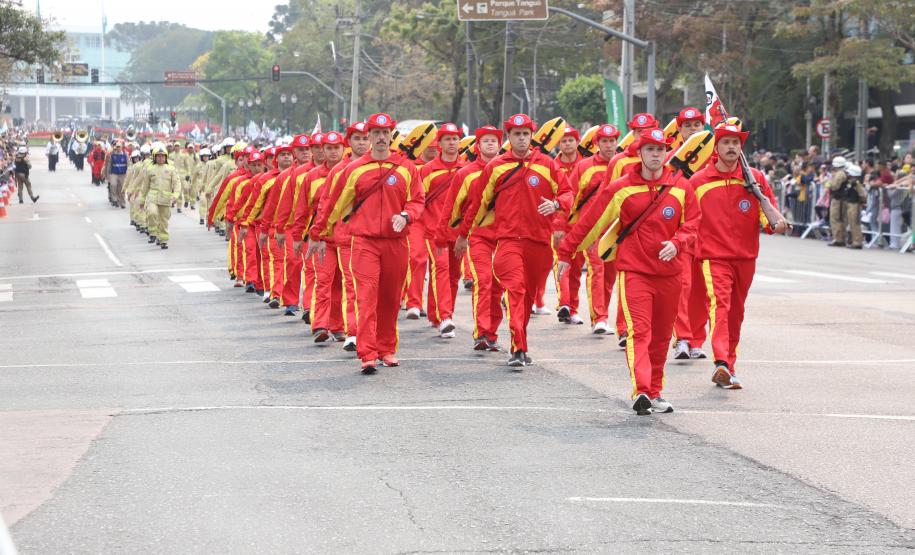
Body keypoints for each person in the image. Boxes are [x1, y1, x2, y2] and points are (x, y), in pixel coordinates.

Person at [557, 127, 701, 415]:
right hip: (635, 272)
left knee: (661, 337)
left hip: (670, 274)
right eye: (650, 149)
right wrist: (566, 252)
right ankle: (642, 390)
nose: (656, 155)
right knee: (640, 332)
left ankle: (656, 391)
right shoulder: (620, 188)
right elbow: (592, 221)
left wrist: (678, 242)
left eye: (661, 150)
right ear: (639, 152)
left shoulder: (681, 187)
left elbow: (693, 222)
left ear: (667, 152)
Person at [306, 113, 424, 374]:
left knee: (391, 299)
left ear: (392, 135)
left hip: (396, 243)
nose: (381, 137)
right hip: (364, 243)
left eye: (385, 133)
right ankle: (368, 353)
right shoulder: (353, 169)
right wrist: (317, 234)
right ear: (369, 137)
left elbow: (417, 200)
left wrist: (406, 216)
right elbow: (333, 204)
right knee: (366, 297)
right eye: (376, 133)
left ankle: (387, 349)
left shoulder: (406, 167)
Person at [455, 113, 573, 368]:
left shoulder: (547, 164)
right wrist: (463, 235)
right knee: (516, 291)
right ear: (508, 137)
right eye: (516, 134)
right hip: (508, 242)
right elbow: (478, 203)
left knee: (528, 297)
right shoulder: (496, 166)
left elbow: (567, 193)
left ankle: (521, 340)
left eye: (525, 134)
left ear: (531, 137)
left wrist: (556, 204)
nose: (521, 138)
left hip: (540, 244)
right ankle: (518, 348)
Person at [689, 124, 788, 390]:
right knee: (719, 306)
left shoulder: (754, 178)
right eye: (726, 142)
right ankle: (720, 360)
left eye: (736, 142)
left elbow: (769, 214)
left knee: (736, 313)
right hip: (713, 257)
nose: (732, 147)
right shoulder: (698, 181)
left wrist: (776, 224)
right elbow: (686, 219)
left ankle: (728, 368)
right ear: (716, 147)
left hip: (745, 257)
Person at [435, 125, 504, 351]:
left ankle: (492, 332)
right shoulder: (465, 173)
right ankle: (482, 332)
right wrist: (444, 237)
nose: (491, 144)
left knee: (498, 286)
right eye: (486, 141)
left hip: (505, 237)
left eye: (494, 140)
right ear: (478, 146)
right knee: (483, 282)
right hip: (478, 237)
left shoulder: (509, 169)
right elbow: (451, 208)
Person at [554, 124, 619, 332]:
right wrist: (561, 226)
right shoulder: (585, 166)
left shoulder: (623, 164)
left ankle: (605, 315)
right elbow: (570, 197)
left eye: (612, 141)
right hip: (593, 230)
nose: (609, 145)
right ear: (597, 144)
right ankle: (599, 318)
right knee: (597, 270)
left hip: (618, 230)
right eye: (604, 141)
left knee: (611, 275)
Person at [406, 123, 464, 338]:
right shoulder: (427, 170)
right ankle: (446, 317)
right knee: (440, 269)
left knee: (454, 275)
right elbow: (419, 200)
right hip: (432, 231)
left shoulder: (464, 169)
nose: (451, 142)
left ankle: (435, 314)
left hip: (457, 232)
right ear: (439, 144)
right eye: (447, 139)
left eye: (455, 138)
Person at [671, 107, 714, 360]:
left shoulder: (714, 159)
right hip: (681, 234)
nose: (692, 129)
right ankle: (683, 339)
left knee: (703, 291)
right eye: (687, 125)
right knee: (682, 287)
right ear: (679, 129)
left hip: (709, 235)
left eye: (697, 124)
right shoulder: (670, 160)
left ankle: (697, 339)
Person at [137, 145, 182, 249]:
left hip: (166, 199)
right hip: (152, 198)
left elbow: (177, 184)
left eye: (162, 156)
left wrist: (175, 196)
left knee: (163, 221)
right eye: (158, 156)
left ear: (166, 157)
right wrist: (142, 200)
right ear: (154, 157)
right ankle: (152, 233)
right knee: (152, 213)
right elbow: (145, 186)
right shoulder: (150, 169)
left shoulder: (171, 169)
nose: (160, 158)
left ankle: (163, 240)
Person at [826, 156, 863, 249]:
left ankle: (842, 239)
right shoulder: (845, 176)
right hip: (846, 201)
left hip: (842, 200)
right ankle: (845, 239)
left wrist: (829, 183)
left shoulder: (840, 174)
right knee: (848, 221)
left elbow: (834, 186)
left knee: (838, 219)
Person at [104, 141, 130, 209]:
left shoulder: (125, 155)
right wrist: (107, 174)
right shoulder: (112, 155)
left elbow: (128, 164)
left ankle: (122, 202)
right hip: (114, 173)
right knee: (113, 185)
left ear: (121, 147)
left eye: (119, 147)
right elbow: (109, 165)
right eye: (117, 147)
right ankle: (114, 199)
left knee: (121, 188)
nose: (118, 148)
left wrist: (129, 173)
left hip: (122, 174)